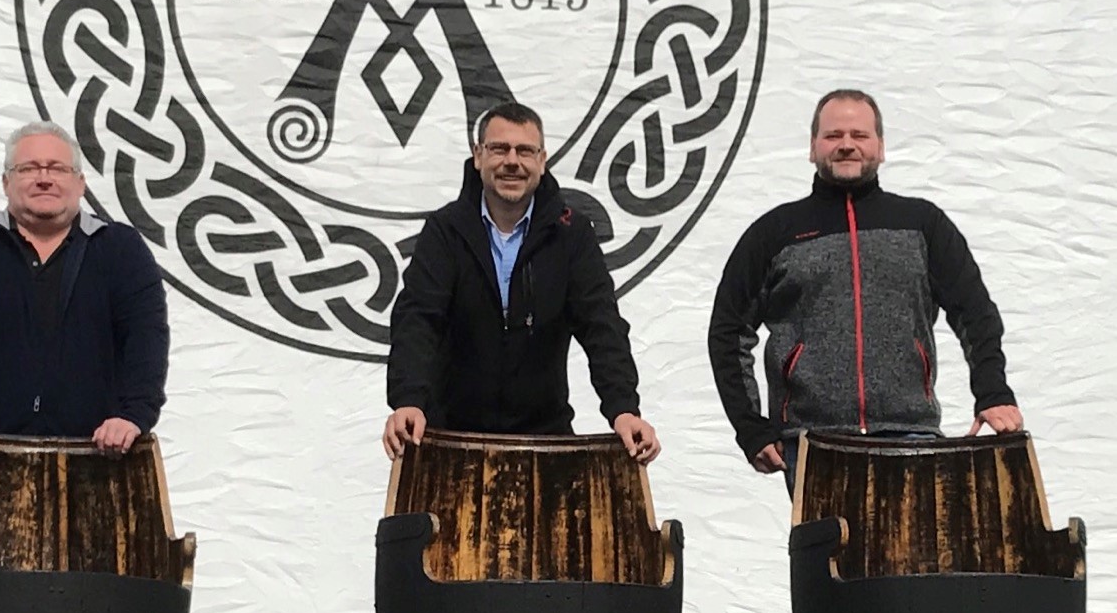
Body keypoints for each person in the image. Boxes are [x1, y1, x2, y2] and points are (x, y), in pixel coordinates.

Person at [707, 88, 1023, 481]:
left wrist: (992, 391)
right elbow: (728, 332)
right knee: (827, 546)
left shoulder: (923, 225)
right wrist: (750, 427)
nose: (846, 146)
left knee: (916, 545)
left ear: (881, 147)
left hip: (912, 435)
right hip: (812, 443)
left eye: (859, 136)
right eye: (833, 135)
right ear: (812, 147)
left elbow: (975, 314)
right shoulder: (774, 233)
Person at [383, 101, 660, 464]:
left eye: (525, 151)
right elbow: (418, 319)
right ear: (477, 155)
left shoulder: (572, 235)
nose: (512, 161)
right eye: (499, 149)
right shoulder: (444, 231)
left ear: (542, 160)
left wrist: (623, 408)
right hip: (447, 439)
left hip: (545, 441)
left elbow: (601, 325)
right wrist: (408, 400)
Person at [0, 121, 169, 455]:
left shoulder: (121, 248)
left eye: (58, 168)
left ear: (80, 183)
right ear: (6, 182)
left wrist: (134, 415)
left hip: (97, 457)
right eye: (29, 168)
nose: (44, 178)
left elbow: (146, 335)